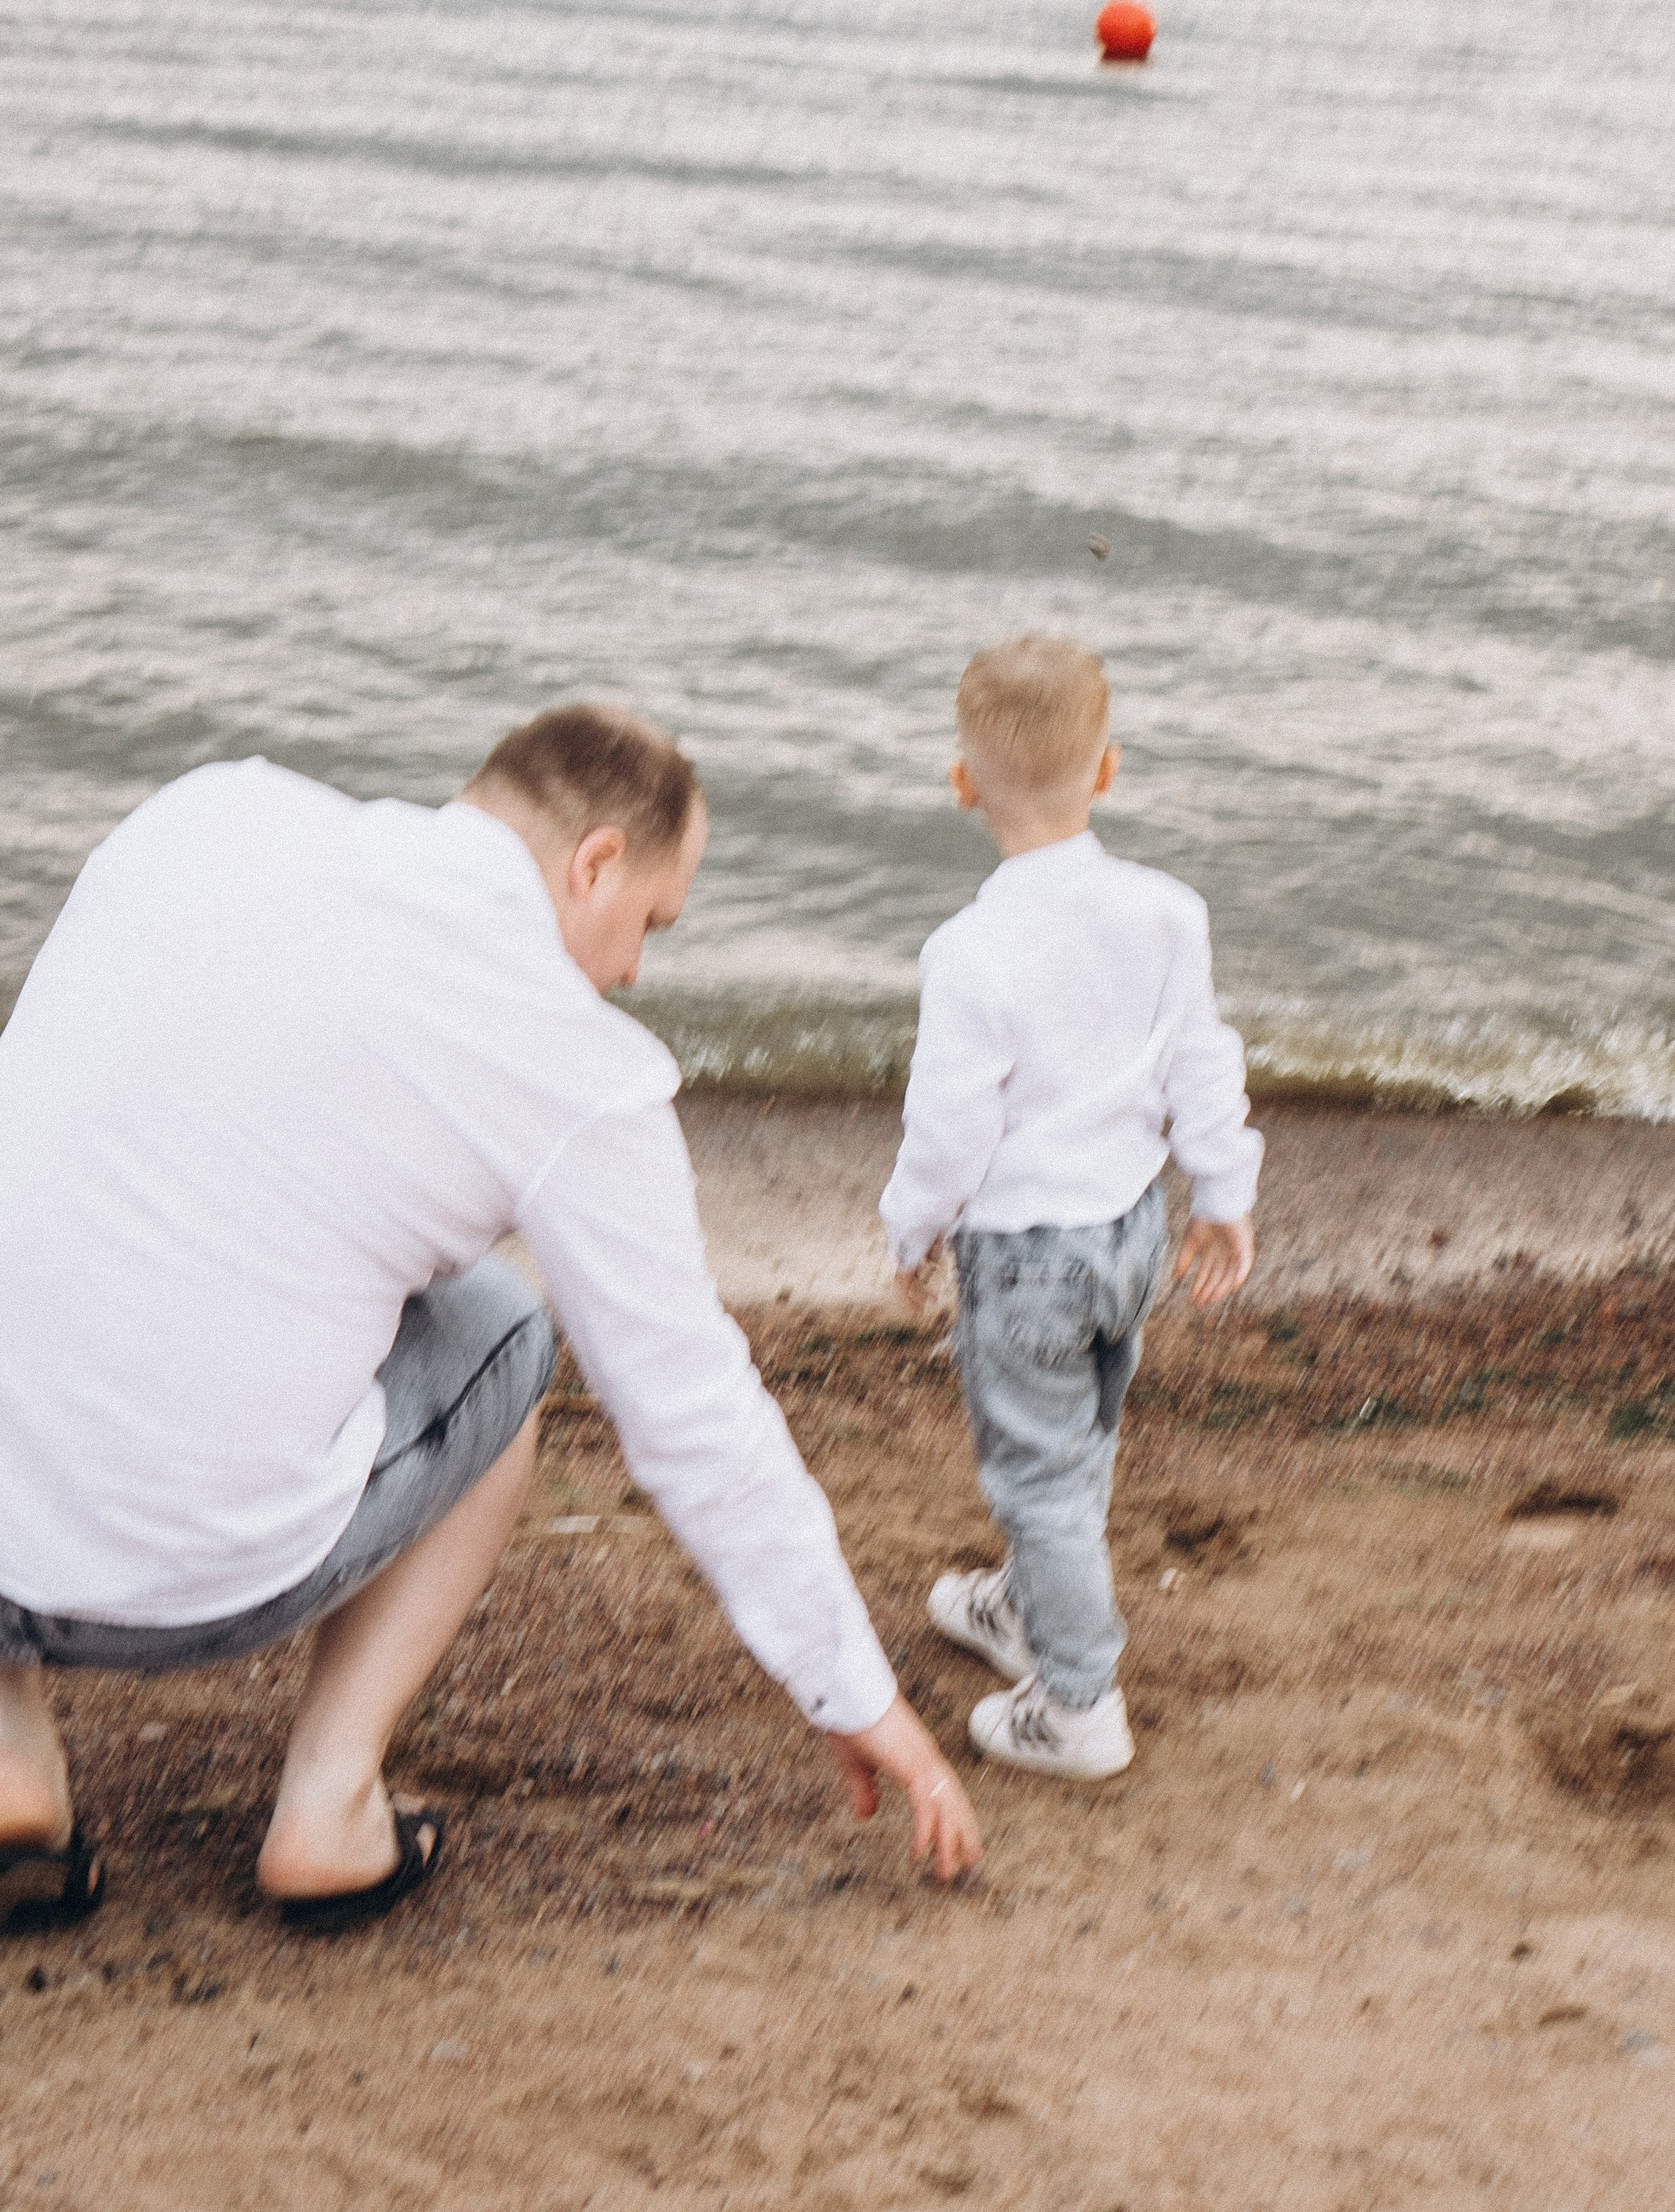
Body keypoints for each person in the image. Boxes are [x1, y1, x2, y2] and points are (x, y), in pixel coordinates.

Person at [0, 705, 980, 1937]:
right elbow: (691, 1415)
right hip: (184, 1575)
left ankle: (10, 1766)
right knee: (502, 1333)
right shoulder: (568, 1059)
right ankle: (329, 1803)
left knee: (78, 1221)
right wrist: (856, 1695)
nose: (631, 971)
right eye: (649, 927)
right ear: (595, 864)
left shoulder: (214, 810)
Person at [881, 636, 1261, 1781]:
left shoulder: (969, 949)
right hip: (1131, 1233)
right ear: (1108, 772)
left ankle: (1081, 1704)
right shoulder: (1167, 914)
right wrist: (1223, 1192)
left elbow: (950, 1123)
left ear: (962, 785)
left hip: (1027, 1256)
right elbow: (1203, 1060)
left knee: (1039, 1471)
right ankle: (1021, 1606)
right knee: (1079, 1438)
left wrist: (912, 1230)